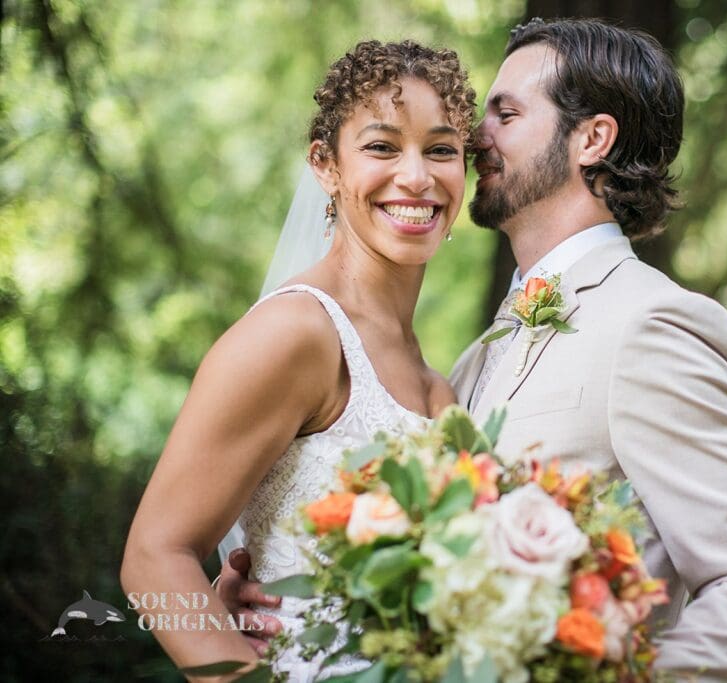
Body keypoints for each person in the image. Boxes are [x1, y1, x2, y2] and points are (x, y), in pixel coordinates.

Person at [222, 18, 727, 681]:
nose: (476, 134)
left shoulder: (654, 325)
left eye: (506, 113)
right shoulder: (470, 360)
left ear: (592, 138)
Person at [121, 40, 476, 681]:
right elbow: (153, 558)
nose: (418, 176)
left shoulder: (439, 388)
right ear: (325, 165)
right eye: (382, 146)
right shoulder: (297, 333)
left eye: (442, 149)